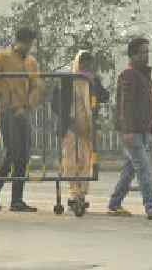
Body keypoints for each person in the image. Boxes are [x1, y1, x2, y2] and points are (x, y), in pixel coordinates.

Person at [0, 27, 43, 213]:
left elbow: (37, 85)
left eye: (31, 44)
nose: (29, 47)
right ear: (20, 42)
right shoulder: (3, 57)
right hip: (8, 110)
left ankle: (13, 198)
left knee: (22, 155)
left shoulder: (31, 62)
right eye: (28, 43)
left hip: (24, 111)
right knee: (13, 152)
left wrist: (28, 106)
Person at [107, 37, 152, 220]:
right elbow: (124, 104)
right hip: (133, 132)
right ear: (133, 55)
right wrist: (127, 130)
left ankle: (114, 204)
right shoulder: (129, 75)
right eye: (143, 52)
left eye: (147, 52)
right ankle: (150, 206)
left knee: (130, 169)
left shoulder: (143, 75)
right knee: (144, 169)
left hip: (142, 130)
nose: (146, 56)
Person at [57, 50, 107, 214]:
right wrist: (70, 122)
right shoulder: (67, 80)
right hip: (70, 127)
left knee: (86, 162)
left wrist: (94, 84)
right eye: (83, 62)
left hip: (88, 128)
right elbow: (55, 104)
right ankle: (73, 194)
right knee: (71, 162)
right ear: (77, 62)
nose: (85, 65)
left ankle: (82, 196)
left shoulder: (93, 80)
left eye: (88, 62)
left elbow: (105, 96)